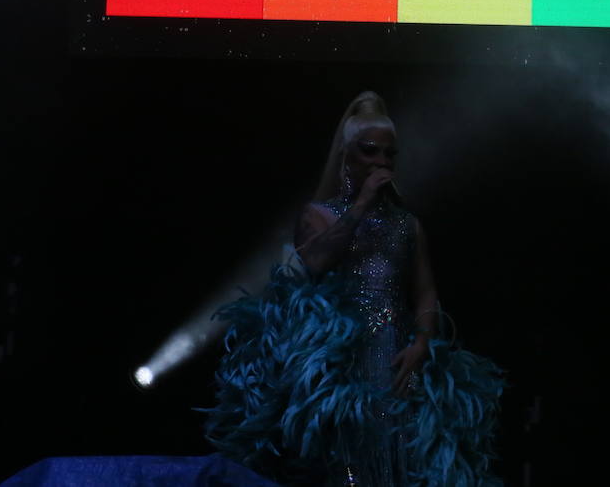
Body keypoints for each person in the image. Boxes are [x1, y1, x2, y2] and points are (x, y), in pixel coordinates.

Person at [205, 92, 502, 487]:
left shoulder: (407, 224)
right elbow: (315, 262)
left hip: (396, 358)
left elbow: (426, 291)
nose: (381, 162)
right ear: (347, 153)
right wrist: (360, 206)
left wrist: (422, 342)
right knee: (343, 466)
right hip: (341, 365)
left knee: (398, 463)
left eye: (389, 154)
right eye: (369, 151)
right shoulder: (318, 215)